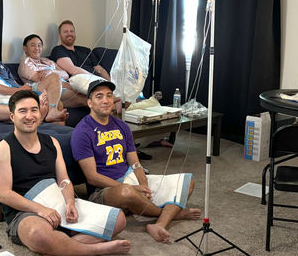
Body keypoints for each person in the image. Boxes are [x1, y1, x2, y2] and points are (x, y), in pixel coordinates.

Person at [0, 90, 131, 256]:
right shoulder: (3, 149)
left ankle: (59, 248)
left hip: (57, 203)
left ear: (40, 113)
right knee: (38, 235)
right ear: (12, 116)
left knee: (119, 219)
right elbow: (4, 195)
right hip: (25, 211)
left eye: (34, 110)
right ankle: (96, 249)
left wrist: (70, 202)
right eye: (22, 111)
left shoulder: (52, 142)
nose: (29, 116)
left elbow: (63, 180)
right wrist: (41, 210)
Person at [71, 80, 201, 243]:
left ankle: (158, 224)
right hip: (104, 190)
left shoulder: (121, 126)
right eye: (99, 97)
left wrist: (144, 185)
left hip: (130, 178)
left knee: (187, 181)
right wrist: (132, 188)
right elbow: (92, 177)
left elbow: (135, 162)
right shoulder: (82, 131)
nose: (105, 100)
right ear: (89, 103)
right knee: (126, 193)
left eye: (109, 96)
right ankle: (170, 213)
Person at [0, 33, 67, 123]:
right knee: (47, 103)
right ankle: (40, 111)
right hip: (6, 94)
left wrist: (25, 88)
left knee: (55, 80)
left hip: (18, 90)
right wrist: (18, 91)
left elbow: (13, 82)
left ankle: (54, 124)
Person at [18, 34, 88, 109]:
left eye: (39, 45)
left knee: (91, 96)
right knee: (85, 99)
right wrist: (70, 86)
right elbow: (41, 79)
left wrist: (50, 71)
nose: (37, 48)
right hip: (48, 91)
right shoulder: (26, 63)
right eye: (33, 45)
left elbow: (66, 75)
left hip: (64, 86)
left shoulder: (47, 61)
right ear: (25, 48)